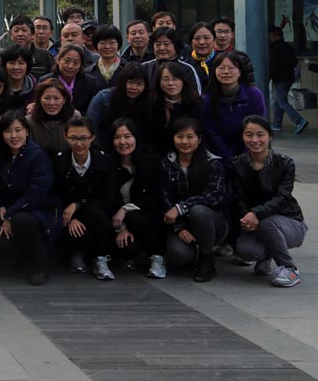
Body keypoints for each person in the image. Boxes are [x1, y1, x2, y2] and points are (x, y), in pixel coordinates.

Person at [230, 116, 307, 287]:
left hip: (290, 222)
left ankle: (289, 268)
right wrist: (247, 217)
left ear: (270, 136)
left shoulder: (285, 162)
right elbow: (239, 196)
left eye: (260, 134)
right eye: (249, 135)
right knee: (246, 250)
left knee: (267, 222)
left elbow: (282, 197)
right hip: (255, 222)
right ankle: (265, 257)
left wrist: (256, 213)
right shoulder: (237, 164)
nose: (254, 140)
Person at [0, 110, 59, 285]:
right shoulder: (1, 155)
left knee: (21, 221)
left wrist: (10, 215)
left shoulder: (37, 155)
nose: (14, 136)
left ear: (27, 131)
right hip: (13, 210)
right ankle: (24, 257)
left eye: (18, 130)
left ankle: (41, 263)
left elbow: (37, 194)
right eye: (8, 131)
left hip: (40, 210)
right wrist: (1, 206)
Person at [160, 118, 229, 282]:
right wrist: (179, 228)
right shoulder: (166, 164)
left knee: (198, 210)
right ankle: (194, 254)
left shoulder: (214, 163)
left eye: (190, 137)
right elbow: (164, 198)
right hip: (181, 224)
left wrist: (181, 207)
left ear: (199, 139)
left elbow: (214, 196)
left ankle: (207, 259)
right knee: (178, 255)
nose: (184, 141)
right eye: (180, 136)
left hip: (212, 222)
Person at [52, 115, 119, 280]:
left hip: (97, 212)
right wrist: (72, 217)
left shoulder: (105, 161)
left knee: (94, 213)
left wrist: (78, 204)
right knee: (73, 231)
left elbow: (109, 198)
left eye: (83, 138)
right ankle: (76, 254)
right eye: (73, 138)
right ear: (65, 137)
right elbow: (54, 194)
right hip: (68, 216)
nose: (78, 143)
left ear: (92, 137)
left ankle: (101, 259)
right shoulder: (58, 161)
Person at [110, 118, 168, 278]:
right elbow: (108, 198)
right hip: (118, 222)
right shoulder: (108, 164)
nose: (122, 142)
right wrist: (122, 228)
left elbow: (154, 197)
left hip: (148, 217)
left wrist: (125, 209)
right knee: (126, 247)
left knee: (134, 217)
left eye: (127, 136)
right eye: (117, 137)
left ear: (136, 137)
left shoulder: (151, 162)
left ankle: (157, 258)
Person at [199, 52, 266, 161]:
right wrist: (227, 157)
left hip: (250, 154)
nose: (226, 72)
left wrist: (242, 158)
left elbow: (258, 127)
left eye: (231, 68)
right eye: (221, 68)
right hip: (217, 156)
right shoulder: (206, 100)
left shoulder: (254, 95)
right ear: (214, 71)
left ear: (240, 72)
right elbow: (211, 133)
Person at [147, 61, 203, 157]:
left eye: (175, 79)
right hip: (157, 155)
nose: (170, 83)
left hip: (189, 154)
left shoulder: (195, 104)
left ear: (183, 81)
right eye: (165, 79)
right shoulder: (152, 104)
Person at [86, 63, 151, 143]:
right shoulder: (103, 98)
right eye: (130, 82)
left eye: (139, 84)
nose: (134, 87)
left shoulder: (149, 102)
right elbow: (90, 129)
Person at [40, 44, 103, 115]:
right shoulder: (45, 80)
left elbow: (91, 111)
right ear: (58, 60)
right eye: (67, 61)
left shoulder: (89, 82)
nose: (70, 66)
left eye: (76, 63)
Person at [268, 26, 307, 134]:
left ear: (275, 36)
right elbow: (294, 62)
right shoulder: (289, 47)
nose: (270, 39)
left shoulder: (275, 48)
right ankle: (277, 124)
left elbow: (273, 65)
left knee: (281, 101)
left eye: (271, 36)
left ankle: (299, 120)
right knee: (278, 102)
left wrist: (268, 77)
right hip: (289, 77)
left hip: (279, 79)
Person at [143, 26, 203, 93]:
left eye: (166, 44)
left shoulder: (187, 69)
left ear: (176, 46)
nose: (162, 48)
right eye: (157, 44)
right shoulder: (145, 67)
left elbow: (195, 94)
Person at [28, 79, 73, 153]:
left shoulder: (74, 117)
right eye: (47, 98)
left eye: (56, 98)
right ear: (40, 99)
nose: (51, 103)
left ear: (64, 100)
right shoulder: (30, 122)